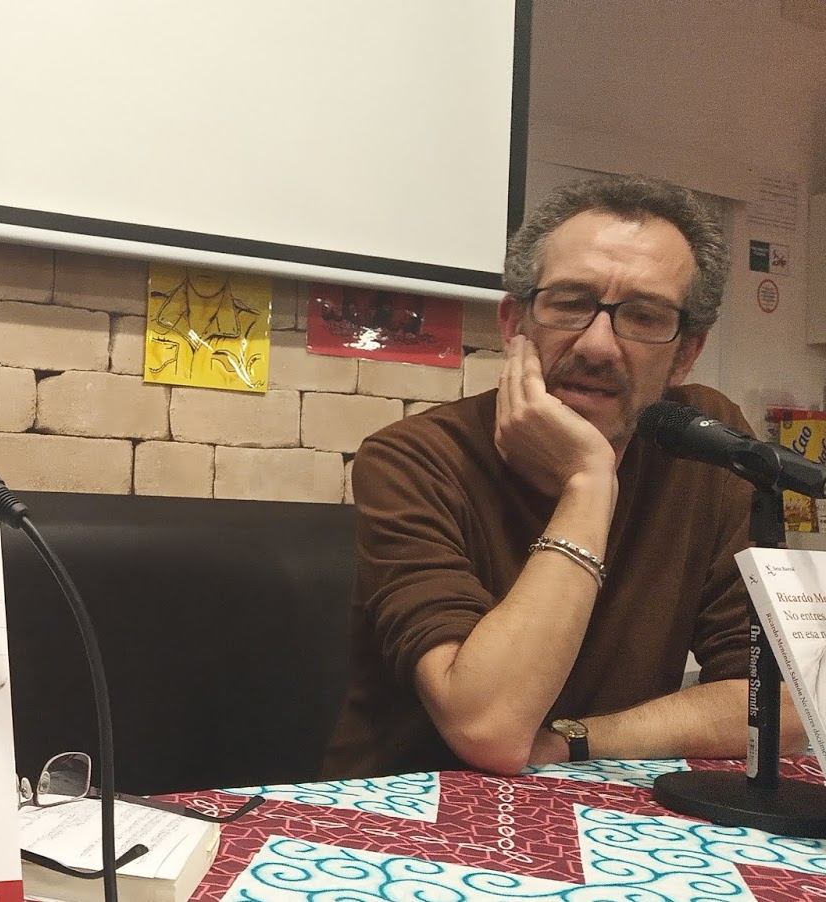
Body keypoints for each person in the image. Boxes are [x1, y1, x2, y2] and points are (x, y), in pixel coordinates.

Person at [321, 173, 805, 780]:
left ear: (685, 354)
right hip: (410, 807)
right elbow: (489, 728)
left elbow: (783, 704)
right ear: (514, 325)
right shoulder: (413, 458)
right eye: (571, 303)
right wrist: (588, 481)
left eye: (644, 316)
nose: (598, 345)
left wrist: (576, 741)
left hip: (608, 797)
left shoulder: (707, 442)